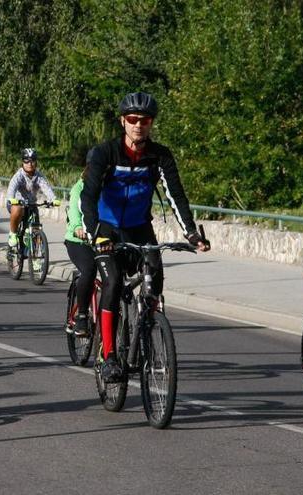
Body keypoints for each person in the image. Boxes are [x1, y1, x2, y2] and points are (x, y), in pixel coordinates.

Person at [81, 91, 210, 383]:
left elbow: (176, 194)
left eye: (145, 120)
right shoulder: (106, 153)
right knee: (113, 282)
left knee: (155, 275)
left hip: (140, 227)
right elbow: (88, 196)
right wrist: (94, 232)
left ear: (152, 123)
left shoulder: (159, 155)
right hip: (107, 229)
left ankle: (149, 325)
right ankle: (110, 357)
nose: (139, 125)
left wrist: (190, 232)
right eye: (133, 119)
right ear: (123, 121)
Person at [63, 170, 96, 336]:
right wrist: (77, 228)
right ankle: (82, 315)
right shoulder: (79, 188)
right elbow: (75, 213)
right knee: (89, 269)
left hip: (100, 240)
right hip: (78, 241)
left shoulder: (109, 187)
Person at [5, 147, 59, 247]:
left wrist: (53, 199)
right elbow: (12, 188)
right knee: (18, 209)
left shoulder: (39, 176)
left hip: (31, 204)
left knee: (37, 229)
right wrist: (11, 198)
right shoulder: (19, 176)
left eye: (33, 160)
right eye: (27, 161)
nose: (30, 164)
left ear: (36, 162)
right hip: (17, 203)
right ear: (22, 162)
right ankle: (12, 233)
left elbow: (46, 187)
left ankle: (36, 258)